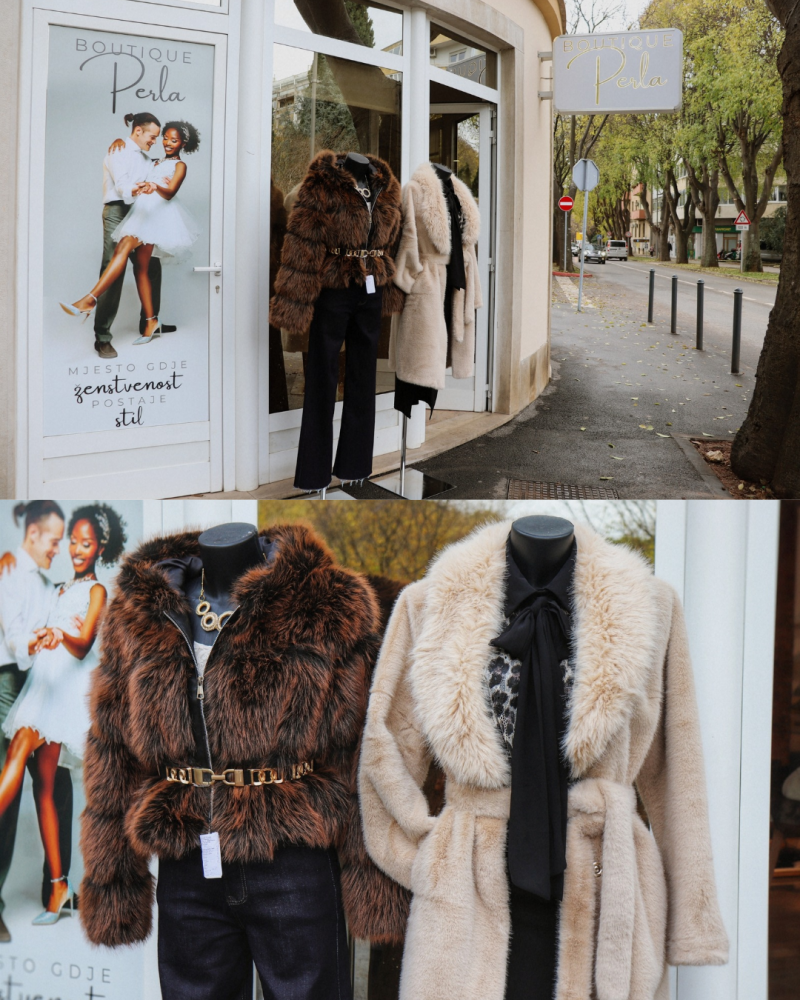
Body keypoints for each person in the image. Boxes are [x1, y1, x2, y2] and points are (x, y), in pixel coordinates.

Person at [0, 505, 125, 926]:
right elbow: (27, 621)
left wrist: (60, 633)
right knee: (43, 787)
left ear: (100, 548)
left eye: (86, 544)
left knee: (24, 757)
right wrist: (40, 633)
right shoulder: (56, 588)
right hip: (41, 685)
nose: (76, 549)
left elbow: (84, 643)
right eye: (73, 541)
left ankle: (57, 888)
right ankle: (58, 889)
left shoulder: (97, 591)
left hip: (65, 692)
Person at [61, 120, 200, 347]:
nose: (166, 143)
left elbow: (170, 192)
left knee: (124, 250)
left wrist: (156, 186)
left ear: (183, 143)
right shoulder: (153, 161)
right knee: (141, 269)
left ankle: (89, 300)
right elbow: (133, 159)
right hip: (142, 213)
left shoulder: (180, 165)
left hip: (156, 216)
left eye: (173, 140)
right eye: (165, 138)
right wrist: (120, 142)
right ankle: (151, 321)